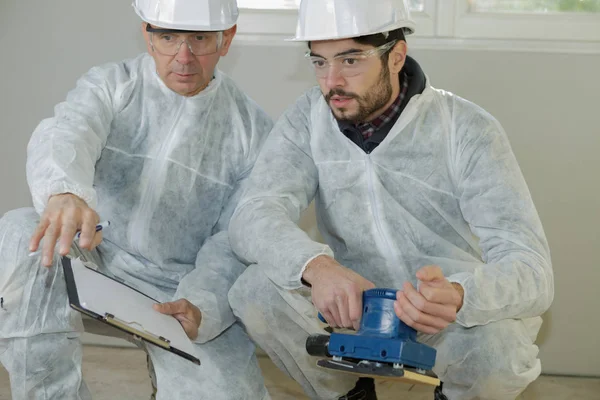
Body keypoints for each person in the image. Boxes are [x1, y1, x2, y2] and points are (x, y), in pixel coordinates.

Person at [227, 0, 554, 399]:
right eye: (319, 62)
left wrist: (459, 295)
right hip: (349, 312)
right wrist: (317, 266)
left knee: (500, 349)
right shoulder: (307, 120)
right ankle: (351, 393)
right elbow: (253, 213)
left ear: (396, 57)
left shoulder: (466, 128)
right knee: (254, 289)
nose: (331, 81)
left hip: (442, 320)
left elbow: (531, 269)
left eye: (349, 61)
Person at [0, 0, 273, 399]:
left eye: (199, 38)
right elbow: (68, 131)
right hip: (91, 254)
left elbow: (234, 239)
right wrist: (65, 191)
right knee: (23, 231)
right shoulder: (112, 84)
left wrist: (202, 304)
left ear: (226, 39)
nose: (183, 57)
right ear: (148, 35)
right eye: (168, 37)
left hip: (175, 290)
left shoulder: (253, 132)